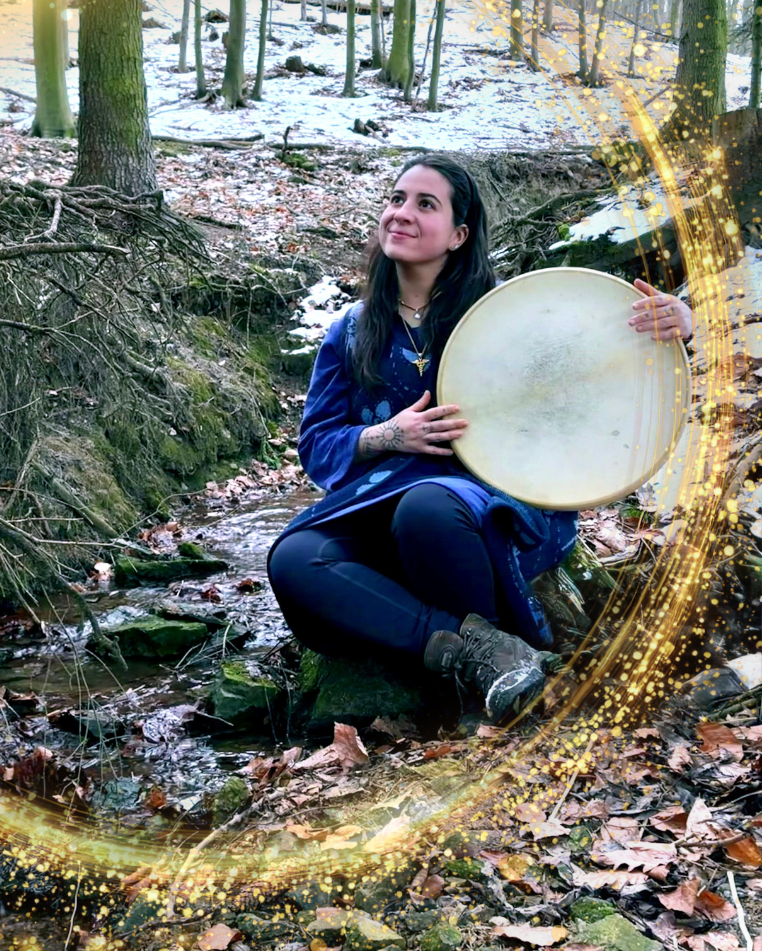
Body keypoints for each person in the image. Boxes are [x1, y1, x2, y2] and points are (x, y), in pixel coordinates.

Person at [266, 154, 694, 723]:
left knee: (427, 508)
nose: (402, 213)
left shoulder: (510, 312)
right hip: (376, 501)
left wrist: (677, 324)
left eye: (425, 204)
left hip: (494, 500)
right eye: (396, 199)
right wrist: (387, 435)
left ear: (459, 235)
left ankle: (472, 690)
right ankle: (482, 654)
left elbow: (595, 362)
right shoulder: (351, 330)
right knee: (294, 557)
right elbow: (317, 445)